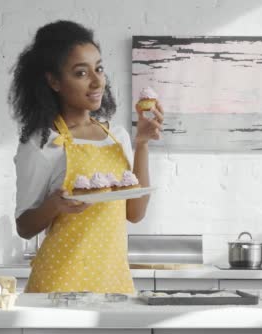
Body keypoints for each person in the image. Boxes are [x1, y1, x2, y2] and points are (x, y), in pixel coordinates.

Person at [9, 20, 163, 293]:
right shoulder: (43, 143)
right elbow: (24, 226)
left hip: (113, 282)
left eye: (99, 69)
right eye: (81, 73)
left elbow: (135, 213)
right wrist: (55, 205)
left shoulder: (117, 137)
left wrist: (141, 145)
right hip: (59, 284)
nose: (96, 81)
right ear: (54, 81)